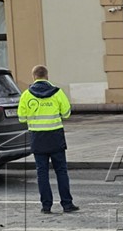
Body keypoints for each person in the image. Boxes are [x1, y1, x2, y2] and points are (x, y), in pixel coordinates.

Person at [17, 65, 78, 214]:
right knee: (61, 171)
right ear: (47, 76)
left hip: (38, 138)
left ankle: (46, 206)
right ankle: (67, 204)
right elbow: (66, 113)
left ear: (34, 77)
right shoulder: (57, 92)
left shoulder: (26, 95)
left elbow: (21, 117)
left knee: (42, 173)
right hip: (55, 137)